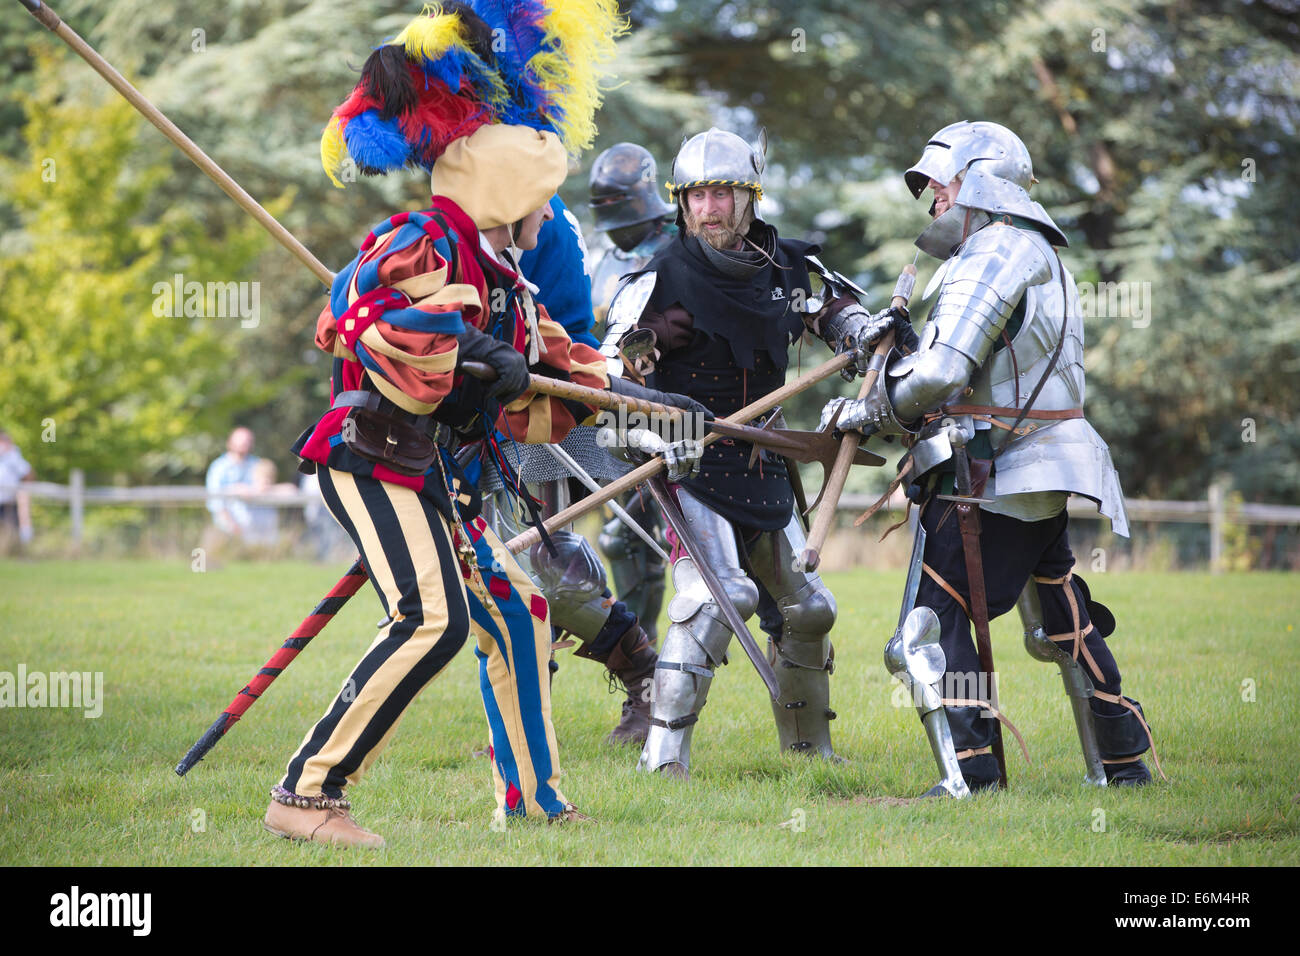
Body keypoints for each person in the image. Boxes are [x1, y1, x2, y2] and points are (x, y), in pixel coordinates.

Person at [263, 1, 699, 846]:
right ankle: (308, 794)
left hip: (434, 478)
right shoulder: (422, 235)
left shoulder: (509, 279)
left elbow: (564, 377)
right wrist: (464, 345)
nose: (550, 210)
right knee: (433, 619)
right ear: (511, 191)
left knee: (519, 615)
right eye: (541, 193)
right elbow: (351, 310)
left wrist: (649, 397)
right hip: (370, 457)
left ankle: (535, 803)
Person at [819, 120, 1160, 796]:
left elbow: (943, 378)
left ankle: (970, 776)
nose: (932, 199)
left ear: (980, 175)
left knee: (922, 634)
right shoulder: (1039, 254)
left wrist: (863, 411)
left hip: (990, 472)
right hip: (1043, 465)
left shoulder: (990, 251)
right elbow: (978, 362)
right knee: (1061, 620)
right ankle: (1120, 763)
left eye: (939, 183)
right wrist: (899, 344)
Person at [624, 127, 845, 780]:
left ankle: (811, 755)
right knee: (720, 596)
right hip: (692, 465)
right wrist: (645, 349)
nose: (708, 209)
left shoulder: (784, 265)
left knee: (810, 607)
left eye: (722, 194)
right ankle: (662, 759)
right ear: (681, 202)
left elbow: (829, 312)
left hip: (763, 460)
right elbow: (612, 377)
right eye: (696, 196)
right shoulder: (663, 272)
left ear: (749, 199)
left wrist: (860, 328)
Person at [205, 426, 259, 538]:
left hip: (254, 529)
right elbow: (215, 501)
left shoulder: (256, 464)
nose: (244, 444)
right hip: (226, 529)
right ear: (230, 442)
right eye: (240, 440)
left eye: (247, 441)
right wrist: (231, 525)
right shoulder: (219, 467)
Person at [0, 429, 34, 547]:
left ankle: (16, 548)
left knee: (11, 529)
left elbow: (28, 473)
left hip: (9, 501)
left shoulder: (12, 456)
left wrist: (23, 490)